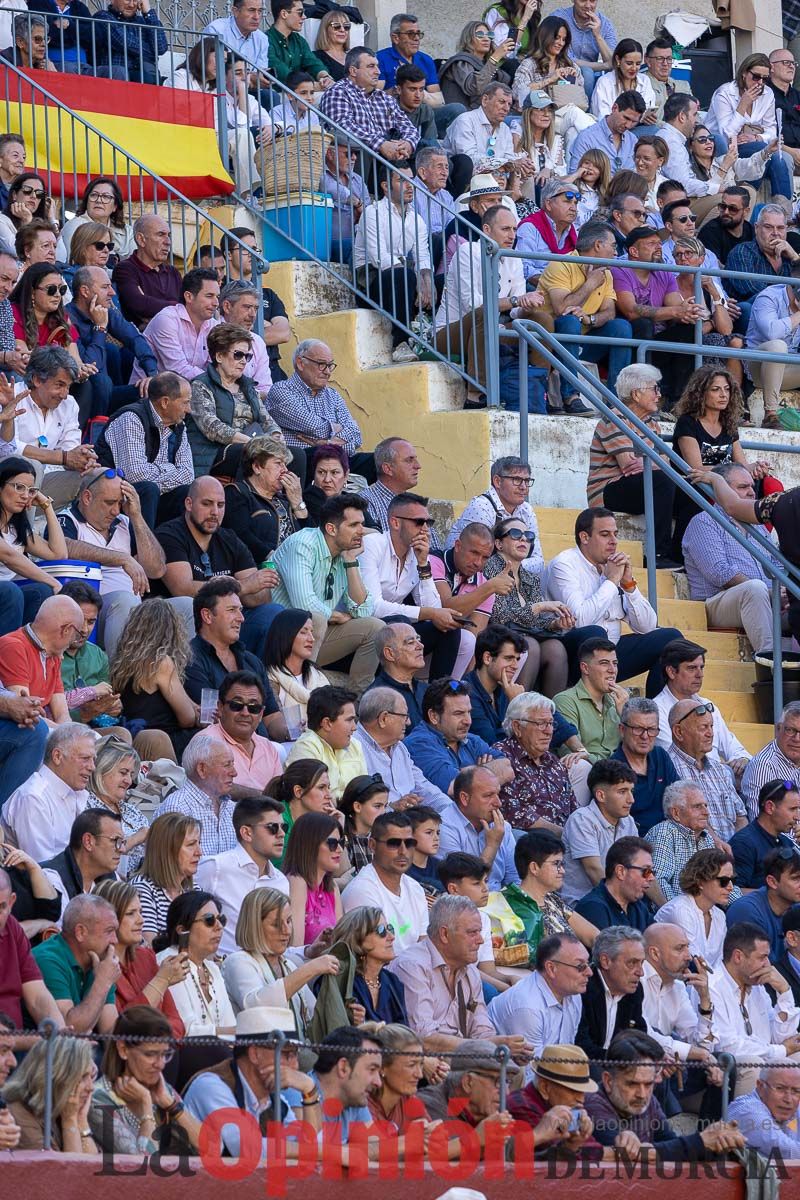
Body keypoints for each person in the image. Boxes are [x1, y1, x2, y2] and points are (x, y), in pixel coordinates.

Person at [547, 507, 682, 697]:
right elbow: (579, 620)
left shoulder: (613, 566)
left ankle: (655, 713)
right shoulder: (564, 564)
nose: (614, 541)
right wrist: (611, 581)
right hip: (574, 654)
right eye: (605, 535)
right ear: (585, 537)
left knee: (671, 639)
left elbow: (648, 626)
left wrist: (628, 585)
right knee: (596, 633)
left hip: (611, 653)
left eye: (615, 534)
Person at [154, 475, 282, 661]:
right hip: (184, 622)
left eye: (220, 505)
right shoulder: (170, 535)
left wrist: (256, 584)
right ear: (189, 504)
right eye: (207, 504)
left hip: (225, 621)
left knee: (273, 612)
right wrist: (241, 587)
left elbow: (260, 597)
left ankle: (259, 678)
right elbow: (182, 588)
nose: (214, 512)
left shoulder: (229, 539)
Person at [388, 893, 530, 1056]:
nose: (480, 940)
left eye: (479, 932)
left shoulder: (470, 971)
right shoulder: (413, 967)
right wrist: (488, 1046)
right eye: (472, 933)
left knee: (511, 1068)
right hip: (425, 1065)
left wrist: (502, 1050)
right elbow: (424, 1039)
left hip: (460, 1059)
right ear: (444, 934)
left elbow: (482, 1031)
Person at [58, 467, 175, 664]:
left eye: (120, 503)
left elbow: (156, 569)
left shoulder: (124, 521)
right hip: (92, 616)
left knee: (186, 607)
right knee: (124, 600)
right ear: (87, 498)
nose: (116, 510)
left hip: (135, 609)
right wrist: (123, 558)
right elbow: (64, 547)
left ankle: (174, 684)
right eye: (110, 503)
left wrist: (137, 517)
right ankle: (118, 683)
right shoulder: (67, 519)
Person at [359, 492, 474, 678]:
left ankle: (439, 695)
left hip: (393, 629)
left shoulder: (418, 554)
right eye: (419, 522)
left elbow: (434, 609)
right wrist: (429, 614)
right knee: (401, 624)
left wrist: (423, 564)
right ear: (395, 523)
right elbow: (373, 607)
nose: (425, 530)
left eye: (428, 523)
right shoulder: (372, 545)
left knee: (448, 629)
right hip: (365, 629)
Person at [585, 1029, 744, 1159]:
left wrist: (714, 1141)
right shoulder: (593, 1104)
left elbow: (671, 1145)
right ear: (608, 1081)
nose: (642, 1094)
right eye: (632, 1084)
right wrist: (701, 1141)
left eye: (648, 1084)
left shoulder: (648, 1102)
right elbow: (629, 1154)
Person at [184, 1005, 320, 1155]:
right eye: (287, 1055)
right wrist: (325, 1152)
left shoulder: (274, 1099)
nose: (295, 1065)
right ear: (255, 1054)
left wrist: (310, 1091)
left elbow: (306, 1145)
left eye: (296, 1055)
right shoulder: (211, 1086)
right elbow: (248, 1149)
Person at [484, 516, 594, 692]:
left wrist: (555, 624)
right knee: (530, 646)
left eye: (528, 535)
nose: (523, 539)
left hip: (523, 635)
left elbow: (535, 622)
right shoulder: (490, 568)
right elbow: (499, 617)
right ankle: (516, 707)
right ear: (499, 544)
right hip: (494, 635)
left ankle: (552, 713)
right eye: (515, 534)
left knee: (555, 648)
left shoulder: (530, 577)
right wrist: (539, 607)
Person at [683, 464, 782, 654]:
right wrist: (770, 592)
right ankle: (770, 663)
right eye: (743, 487)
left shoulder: (758, 526)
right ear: (720, 489)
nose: (752, 493)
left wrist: (783, 592)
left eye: (752, 486)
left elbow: (776, 564)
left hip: (763, 598)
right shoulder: (704, 521)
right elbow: (720, 573)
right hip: (716, 603)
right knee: (755, 588)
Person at [672, 365, 767, 554]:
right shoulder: (688, 423)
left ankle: (767, 542)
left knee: (770, 483)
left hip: (727, 483)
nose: (723, 395)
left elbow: (741, 464)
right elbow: (695, 468)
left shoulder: (729, 424)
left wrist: (755, 467)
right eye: (715, 390)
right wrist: (732, 472)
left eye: (727, 389)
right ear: (701, 393)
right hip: (693, 486)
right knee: (730, 486)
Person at [222, 887, 337, 1033]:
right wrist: (311, 969)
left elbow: (314, 1015)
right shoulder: (238, 961)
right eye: (276, 924)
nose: (286, 930)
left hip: (296, 1052)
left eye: (288, 921)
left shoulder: (288, 965)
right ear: (254, 926)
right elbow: (256, 1007)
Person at [184, 577, 285, 742]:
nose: (241, 618)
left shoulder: (251, 661)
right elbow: (215, 719)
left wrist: (295, 732)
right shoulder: (190, 658)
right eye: (232, 610)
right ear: (207, 616)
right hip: (219, 749)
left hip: (262, 748)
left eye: (240, 610)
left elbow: (271, 718)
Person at [90, 1005, 202, 1155]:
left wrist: (171, 1105)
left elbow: (213, 1149)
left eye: (165, 1054)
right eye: (150, 1054)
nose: (161, 1064)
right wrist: (146, 1105)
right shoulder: (99, 1099)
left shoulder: (162, 1091)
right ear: (123, 1050)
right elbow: (144, 1166)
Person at [94, 371, 193, 532]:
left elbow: (188, 475)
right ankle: (139, 551)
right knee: (148, 490)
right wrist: (171, 469)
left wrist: (157, 475)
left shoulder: (179, 426)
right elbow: (134, 476)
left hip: (152, 497)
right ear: (165, 402)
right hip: (115, 497)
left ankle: (173, 549)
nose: (189, 409)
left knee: (187, 493)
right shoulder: (131, 418)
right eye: (185, 402)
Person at [709, 922, 800, 1089]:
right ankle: (749, 1115)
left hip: (764, 1059)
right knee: (753, 1064)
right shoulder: (712, 987)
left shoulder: (757, 986)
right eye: (762, 957)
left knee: (798, 1058)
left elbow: (780, 1038)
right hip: (717, 1076)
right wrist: (780, 1050)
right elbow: (727, 1046)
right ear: (738, 957)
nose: (768, 964)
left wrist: (784, 992)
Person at [196, 795, 288, 956]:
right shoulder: (215, 867)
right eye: (273, 827)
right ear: (246, 833)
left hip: (267, 970)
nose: (281, 834)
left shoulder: (281, 881)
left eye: (284, 828)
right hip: (223, 969)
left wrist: (308, 950)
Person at [93, 878, 186, 1037]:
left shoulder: (146, 957)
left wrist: (159, 1043)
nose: (141, 920)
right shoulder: (99, 965)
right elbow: (121, 1029)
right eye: (130, 914)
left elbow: (176, 1022)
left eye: (141, 912)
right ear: (108, 919)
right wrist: (160, 981)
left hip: (164, 1049)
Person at [108, 599, 197, 761]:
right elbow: (188, 719)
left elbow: (189, 704)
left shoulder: (122, 661)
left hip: (137, 735)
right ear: (171, 630)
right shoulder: (161, 663)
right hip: (165, 739)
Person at [653, 637, 751, 770]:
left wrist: (742, 761)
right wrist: (724, 770)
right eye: (692, 668)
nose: (700, 675)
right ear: (671, 671)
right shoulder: (657, 711)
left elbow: (736, 750)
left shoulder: (707, 705)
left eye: (701, 667)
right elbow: (677, 760)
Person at [403, 678, 512, 796]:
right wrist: (482, 770)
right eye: (458, 713)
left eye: (469, 712)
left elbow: (507, 769)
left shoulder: (472, 740)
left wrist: (475, 773)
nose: (468, 721)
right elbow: (455, 787)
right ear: (434, 716)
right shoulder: (419, 744)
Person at [2, 721, 93, 860]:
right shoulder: (33, 798)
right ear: (57, 756)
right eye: (85, 758)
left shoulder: (77, 792)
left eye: (93, 759)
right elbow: (44, 869)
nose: (92, 767)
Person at [352, 687, 451, 815]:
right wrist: (391, 808)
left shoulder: (399, 747)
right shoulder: (353, 747)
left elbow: (424, 787)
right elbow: (355, 805)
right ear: (383, 719)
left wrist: (453, 812)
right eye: (405, 716)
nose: (409, 722)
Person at [707, 55, 793, 200]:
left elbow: (771, 130)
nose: (760, 83)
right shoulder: (725, 93)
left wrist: (756, 137)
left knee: (781, 156)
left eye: (765, 79)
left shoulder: (767, 93)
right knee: (766, 153)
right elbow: (726, 133)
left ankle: (783, 209)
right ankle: (748, 199)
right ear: (744, 73)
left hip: (754, 143)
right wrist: (742, 106)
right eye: (756, 77)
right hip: (725, 146)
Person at [340, 810, 429, 950]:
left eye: (409, 843)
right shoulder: (362, 891)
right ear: (372, 845)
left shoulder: (414, 888)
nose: (403, 851)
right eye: (394, 843)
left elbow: (423, 946)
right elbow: (376, 953)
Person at [32, 892, 120, 1033]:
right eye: (109, 931)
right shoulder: (47, 959)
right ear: (80, 932)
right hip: (43, 1052)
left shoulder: (100, 959)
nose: (115, 940)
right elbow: (69, 1029)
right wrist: (103, 982)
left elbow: (111, 1034)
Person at [319, 47, 418, 170]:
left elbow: (408, 126)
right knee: (361, 147)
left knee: (426, 151)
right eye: (371, 66)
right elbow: (342, 127)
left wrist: (407, 144)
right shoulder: (338, 92)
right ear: (353, 71)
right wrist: (381, 144)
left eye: (377, 66)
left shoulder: (384, 97)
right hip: (359, 158)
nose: (378, 72)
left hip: (388, 157)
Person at [488, 931, 590, 1051]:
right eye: (580, 966)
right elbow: (530, 1067)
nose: (589, 972)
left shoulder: (573, 995)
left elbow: (566, 1054)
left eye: (588, 964)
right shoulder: (528, 1007)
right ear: (551, 968)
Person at [503, 829, 598, 957]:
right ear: (534, 868)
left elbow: (594, 937)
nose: (562, 871)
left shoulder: (552, 900)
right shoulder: (512, 905)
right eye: (556, 864)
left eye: (562, 864)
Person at [153, 890, 235, 1036]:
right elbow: (185, 1031)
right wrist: (241, 1033)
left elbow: (229, 1024)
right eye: (209, 920)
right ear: (182, 930)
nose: (219, 927)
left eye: (220, 920)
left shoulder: (212, 968)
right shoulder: (169, 963)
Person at [665, 701, 748, 845]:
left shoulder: (721, 770)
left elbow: (741, 817)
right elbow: (685, 821)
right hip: (699, 858)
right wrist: (717, 845)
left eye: (711, 726)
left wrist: (739, 848)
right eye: (703, 727)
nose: (710, 734)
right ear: (679, 732)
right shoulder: (667, 767)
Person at [494, 691, 577, 830]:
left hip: (565, 842)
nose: (549, 731)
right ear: (517, 727)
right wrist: (565, 836)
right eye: (541, 723)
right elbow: (513, 814)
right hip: (530, 844)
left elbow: (573, 807)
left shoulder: (553, 762)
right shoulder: (501, 758)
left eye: (550, 723)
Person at [2, 1035, 98, 1153]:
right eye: (83, 1077)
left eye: (91, 1077)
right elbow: (70, 1169)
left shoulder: (65, 1107)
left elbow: (94, 1167)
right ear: (58, 1077)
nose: (91, 1087)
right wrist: (69, 1121)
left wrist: (82, 1121)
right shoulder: (19, 1113)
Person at [561, 759, 638, 902]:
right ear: (601, 795)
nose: (631, 799)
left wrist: (663, 907)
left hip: (619, 900)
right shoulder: (581, 820)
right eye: (622, 792)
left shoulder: (628, 821)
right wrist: (620, 906)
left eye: (631, 791)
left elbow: (637, 867)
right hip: (582, 905)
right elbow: (594, 870)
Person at [220, 437, 306, 563]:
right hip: (263, 568)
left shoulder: (285, 500)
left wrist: (298, 502)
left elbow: (311, 537)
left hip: (297, 565)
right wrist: (273, 558)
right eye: (278, 463)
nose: (285, 470)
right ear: (256, 467)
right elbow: (239, 534)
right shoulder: (237, 492)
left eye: (285, 464)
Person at [0, 866, 64, 1030]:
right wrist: (46, 1040)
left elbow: (37, 996)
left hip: (16, 1043)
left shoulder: (12, 928)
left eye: (1, 907)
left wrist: (61, 1034)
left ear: (12, 902)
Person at [436, 765, 518, 892]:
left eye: (498, 794)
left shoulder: (502, 827)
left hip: (503, 904)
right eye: (488, 795)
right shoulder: (443, 828)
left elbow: (515, 881)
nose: (498, 803)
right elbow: (463, 889)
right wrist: (492, 846)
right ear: (465, 798)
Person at [0, 455, 66, 609]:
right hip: (8, 594)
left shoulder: (16, 530)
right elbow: (9, 557)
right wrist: (54, 583)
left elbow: (58, 554)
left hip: (8, 599)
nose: (25, 495)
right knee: (12, 591)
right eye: (19, 487)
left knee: (41, 591)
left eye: (31, 490)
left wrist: (46, 505)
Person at [203, 671, 282, 798]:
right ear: (220, 707)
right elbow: (211, 785)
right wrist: (259, 797)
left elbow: (278, 796)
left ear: (261, 714)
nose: (245, 713)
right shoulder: (206, 741)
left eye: (253, 707)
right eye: (237, 705)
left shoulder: (269, 748)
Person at [154, 734, 236, 855]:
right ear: (202, 769)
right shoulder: (177, 807)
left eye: (233, 764)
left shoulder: (231, 808)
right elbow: (173, 867)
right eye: (227, 765)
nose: (234, 773)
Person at [655, 848, 735, 969]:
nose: (730, 887)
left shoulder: (719, 915)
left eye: (732, 880)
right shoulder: (681, 910)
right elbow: (696, 962)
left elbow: (720, 963)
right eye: (724, 881)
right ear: (700, 882)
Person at [575, 926, 647, 1060]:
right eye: (632, 963)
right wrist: (625, 1062)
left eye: (641, 963)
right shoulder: (583, 989)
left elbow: (638, 1034)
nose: (640, 972)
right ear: (606, 961)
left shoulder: (635, 991)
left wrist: (652, 1056)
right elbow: (581, 1047)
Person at [286, 685, 366, 801]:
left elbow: (366, 792)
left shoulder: (355, 745)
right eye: (349, 720)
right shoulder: (306, 747)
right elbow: (314, 800)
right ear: (327, 723)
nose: (354, 727)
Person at [611, 696, 679, 835]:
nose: (645, 736)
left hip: (670, 837)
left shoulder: (661, 756)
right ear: (622, 730)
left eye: (652, 729)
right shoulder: (611, 769)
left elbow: (680, 799)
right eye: (638, 729)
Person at [553, 637, 627, 762]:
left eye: (614, 663)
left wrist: (625, 715)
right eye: (604, 663)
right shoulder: (565, 700)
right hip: (589, 773)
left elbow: (637, 748)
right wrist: (610, 769)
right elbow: (571, 753)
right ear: (585, 668)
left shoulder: (620, 701)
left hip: (623, 773)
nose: (612, 670)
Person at [130, 813, 202, 939]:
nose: (199, 852)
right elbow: (150, 948)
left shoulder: (194, 890)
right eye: (191, 845)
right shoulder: (142, 888)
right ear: (167, 850)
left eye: (199, 843)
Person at [40, 806, 121, 915]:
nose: (122, 849)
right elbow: (63, 931)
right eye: (115, 840)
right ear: (88, 842)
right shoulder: (53, 879)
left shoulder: (111, 878)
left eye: (122, 842)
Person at [746, 270, 800, 429]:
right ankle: (770, 415)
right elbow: (772, 333)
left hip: (787, 371)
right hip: (757, 367)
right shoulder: (769, 296)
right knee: (778, 346)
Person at [727, 848, 800, 961]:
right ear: (772, 882)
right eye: (796, 878)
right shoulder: (747, 911)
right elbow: (762, 968)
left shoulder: (795, 908)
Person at [283, 811, 344, 945]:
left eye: (341, 842)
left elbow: (342, 942)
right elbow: (294, 947)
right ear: (310, 843)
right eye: (332, 843)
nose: (340, 849)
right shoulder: (296, 882)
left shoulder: (331, 887)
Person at [111, 215, 182, 330]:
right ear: (141, 239)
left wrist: (155, 310)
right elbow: (139, 304)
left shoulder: (173, 272)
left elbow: (189, 308)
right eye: (160, 235)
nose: (168, 242)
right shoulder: (125, 269)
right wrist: (178, 308)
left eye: (168, 235)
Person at [574, 836, 655, 931]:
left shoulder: (638, 906)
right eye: (646, 871)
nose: (651, 878)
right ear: (620, 872)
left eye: (652, 872)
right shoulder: (593, 908)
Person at [731, 779, 800, 891]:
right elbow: (731, 892)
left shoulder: (785, 842)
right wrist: (777, 896)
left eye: (798, 809)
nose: (797, 817)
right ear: (769, 807)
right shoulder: (744, 843)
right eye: (792, 809)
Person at [263, 607, 328, 725]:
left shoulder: (318, 676)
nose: (312, 639)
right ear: (286, 635)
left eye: (311, 632)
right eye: (303, 632)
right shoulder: (269, 679)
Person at [727, 204, 798, 303]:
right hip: (752, 313)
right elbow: (751, 289)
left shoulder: (790, 256)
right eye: (768, 227)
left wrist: (795, 258)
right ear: (756, 228)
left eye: (780, 228)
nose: (775, 233)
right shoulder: (742, 252)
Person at [442, 82, 518, 173]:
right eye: (502, 102)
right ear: (485, 100)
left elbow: (509, 158)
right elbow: (469, 160)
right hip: (465, 181)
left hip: (496, 179)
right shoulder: (465, 121)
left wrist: (517, 165)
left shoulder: (505, 129)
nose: (507, 108)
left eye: (509, 104)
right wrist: (505, 163)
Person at [439, 19, 513, 111]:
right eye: (480, 34)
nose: (486, 39)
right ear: (468, 38)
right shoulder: (460, 62)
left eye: (489, 35)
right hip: (463, 117)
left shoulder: (486, 64)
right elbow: (473, 87)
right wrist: (495, 58)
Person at [56, 177, 135, 262]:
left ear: (115, 206)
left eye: (106, 196)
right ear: (87, 201)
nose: (99, 200)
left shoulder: (127, 231)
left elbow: (137, 264)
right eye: (94, 195)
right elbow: (75, 262)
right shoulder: (74, 226)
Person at [729, 1066, 800, 1158]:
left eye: (796, 1091)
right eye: (780, 1088)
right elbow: (788, 1152)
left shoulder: (793, 1105)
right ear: (761, 1086)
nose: (788, 1099)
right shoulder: (747, 1110)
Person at [742, 708, 800, 819]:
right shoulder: (764, 766)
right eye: (790, 730)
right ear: (778, 729)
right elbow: (763, 824)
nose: (797, 739)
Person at [203, 0, 270, 93]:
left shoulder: (262, 39)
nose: (257, 17)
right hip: (217, 87)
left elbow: (261, 71)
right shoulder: (217, 30)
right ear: (235, 11)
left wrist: (261, 79)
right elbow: (211, 68)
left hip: (247, 89)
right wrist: (250, 77)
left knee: (270, 95)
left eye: (260, 11)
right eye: (251, 10)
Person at [568, 91, 645, 173]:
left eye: (634, 122)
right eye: (626, 118)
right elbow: (575, 176)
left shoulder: (633, 140)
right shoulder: (587, 138)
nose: (628, 125)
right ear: (614, 108)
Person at [92, 0, 166, 84]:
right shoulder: (103, 17)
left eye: (135, 0)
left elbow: (161, 48)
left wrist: (148, 12)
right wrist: (153, 52)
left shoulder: (143, 21)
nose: (131, 5)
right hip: (113, 81)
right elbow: (125, 42)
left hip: (142, 81)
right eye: (127, 0)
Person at [362, 436, 422, 532]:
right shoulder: (366, 502)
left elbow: (434, 545)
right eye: (409, 460)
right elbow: (373, 545)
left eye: (415, 459)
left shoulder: (416, 504)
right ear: (388, 469)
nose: (418, 466)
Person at [266, 0, 330, 89]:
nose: (304, 17)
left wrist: (325, 77)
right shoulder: (266, 40)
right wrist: (314, 86)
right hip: (280, 95)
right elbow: (282, 73)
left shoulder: (299, 40)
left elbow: (313, 63)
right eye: (300, 13)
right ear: (284, 14)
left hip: (304, 94)